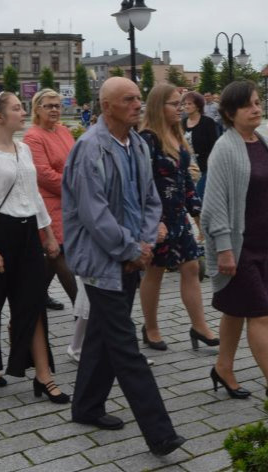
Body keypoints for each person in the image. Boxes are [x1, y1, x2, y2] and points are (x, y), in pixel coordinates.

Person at [62, 76, 185, 457]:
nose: (137, 104)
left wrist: (145, 243)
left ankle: (86, 406)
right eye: (129, 99)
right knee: (125, 345)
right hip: (103, 261)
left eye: (138, 98)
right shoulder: (89, 149)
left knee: (101, 334)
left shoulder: (136, 144)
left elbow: (150, 200)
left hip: (133, 255)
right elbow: (94, 215)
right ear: (107, 106)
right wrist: (131, 249)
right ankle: (160, 433)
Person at [202, 80, 268, 418]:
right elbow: (213, 206)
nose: (257, 109)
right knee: (261, 314)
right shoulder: (225, 148)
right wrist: (225, 249)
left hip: (263, 242)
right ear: (230, 113)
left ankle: (223, 368)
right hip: (239, 246)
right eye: (248, 105)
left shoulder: (261, 141)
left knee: (235, 310)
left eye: (259, 102)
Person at [0, 91, 69, 401]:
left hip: (27, 235)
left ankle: (44, 376)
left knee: (33, 305)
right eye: (17, 108)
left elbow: (33, 195)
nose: (24, 112)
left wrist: (47, 233)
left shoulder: (23, 149)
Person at [138, 84, 217, 351]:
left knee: (192, 266)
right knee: (155, 271)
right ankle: (150, 328)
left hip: (178, 216)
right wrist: (149, 221)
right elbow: (141, 183)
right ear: (159, 107)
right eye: (175, 104)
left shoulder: (177, 134)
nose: (180, 108)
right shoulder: (147, 139)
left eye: (181, 103)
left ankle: (199, 325)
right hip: (156, 219)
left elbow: (184, 177)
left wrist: (196, 209)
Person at [24, 89, 79, 313]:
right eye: (49, 105)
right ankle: (82, 308)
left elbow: (76, 162)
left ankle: (35, 295)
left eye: (57, 105)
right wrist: (75, 187)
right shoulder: (33, 136)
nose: (55, 109)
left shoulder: (64, 131)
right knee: (59, 253)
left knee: (53, 256)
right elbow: (43, 174)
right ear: (37, 109)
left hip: (69, 202)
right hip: (48, 203)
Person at [181, 90, 218, 200]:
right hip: (188, 168)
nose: (186, 106)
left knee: (198, 197)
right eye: (185, 104)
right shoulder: (182, 123)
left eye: (189, 104)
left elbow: (214, 146)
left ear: (197, 106)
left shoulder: (208, 122)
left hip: (204, 167)